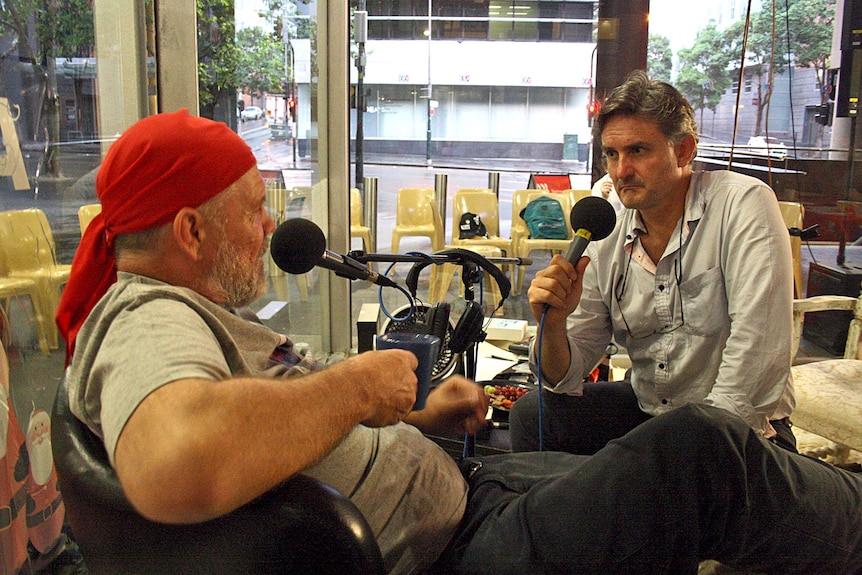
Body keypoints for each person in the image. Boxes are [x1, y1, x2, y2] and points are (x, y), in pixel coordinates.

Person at [56, 110, 862, 575]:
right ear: (192, 230)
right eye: (249, 208)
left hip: (461, 486)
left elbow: (266, 428)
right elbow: (174, 462)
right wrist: (355, 387)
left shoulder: (192, 313)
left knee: (647, 460)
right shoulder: (146, 318)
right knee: (698, 452)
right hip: (459, 544)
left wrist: (411, 418)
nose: (269, 225)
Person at [510, 70, 797, 456]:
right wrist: (555, 323)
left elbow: (758, 353)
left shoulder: (741, 204)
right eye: (612, 154)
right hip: (651, 413)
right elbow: (564, 376)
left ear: (683, 151)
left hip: (739, 431)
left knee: (652, 487)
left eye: (637, 151)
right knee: (533, 415)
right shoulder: (608, 228)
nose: (620, 170)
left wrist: (679, 455)